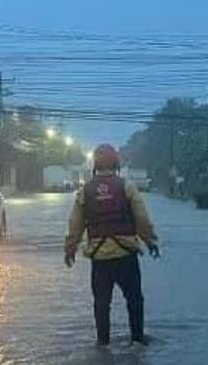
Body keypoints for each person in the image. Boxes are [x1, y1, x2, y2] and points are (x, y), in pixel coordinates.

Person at [65, 144, 160, 345]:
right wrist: (150, 242)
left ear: (95, 165)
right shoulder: (127, 187)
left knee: (101, 304)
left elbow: (75, 225)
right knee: (135, 300)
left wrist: (70, 249)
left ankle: (103, 345)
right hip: (126, 256)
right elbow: (142, 219)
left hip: (100, 259)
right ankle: (137, 340)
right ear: (116, 164)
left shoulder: (85, 191)